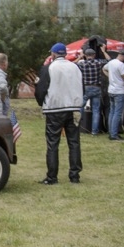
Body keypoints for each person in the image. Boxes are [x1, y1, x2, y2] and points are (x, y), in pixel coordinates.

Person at [35, 42, 83, 184]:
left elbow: (41, 89)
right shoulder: (75, 67)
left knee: (53, 143)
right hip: (73, 107)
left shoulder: (48, 68)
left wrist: (41, 102)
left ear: (53, 54)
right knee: (74, 142)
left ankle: (52, 177)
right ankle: (74, 175)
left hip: (55, 108)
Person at [77, 46, 108, 134]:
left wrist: (80, 56)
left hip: (86, 87)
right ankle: (94, 131)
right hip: (97, 88)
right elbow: (109, 61)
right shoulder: (98, 63)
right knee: (96, 110)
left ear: (85, 55)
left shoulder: (82, 64)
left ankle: (78, 126)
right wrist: (104, 51)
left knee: (80, 107)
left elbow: (72, 64)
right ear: (94, 55)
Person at [103, 49, 124, 141]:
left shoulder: (111, 62)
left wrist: (110, 77)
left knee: (112, 112)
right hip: (120, 91)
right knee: (117, 113)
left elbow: (104, 68)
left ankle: (111, 132)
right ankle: (114, 134)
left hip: (111, 90)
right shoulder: (121, 65)